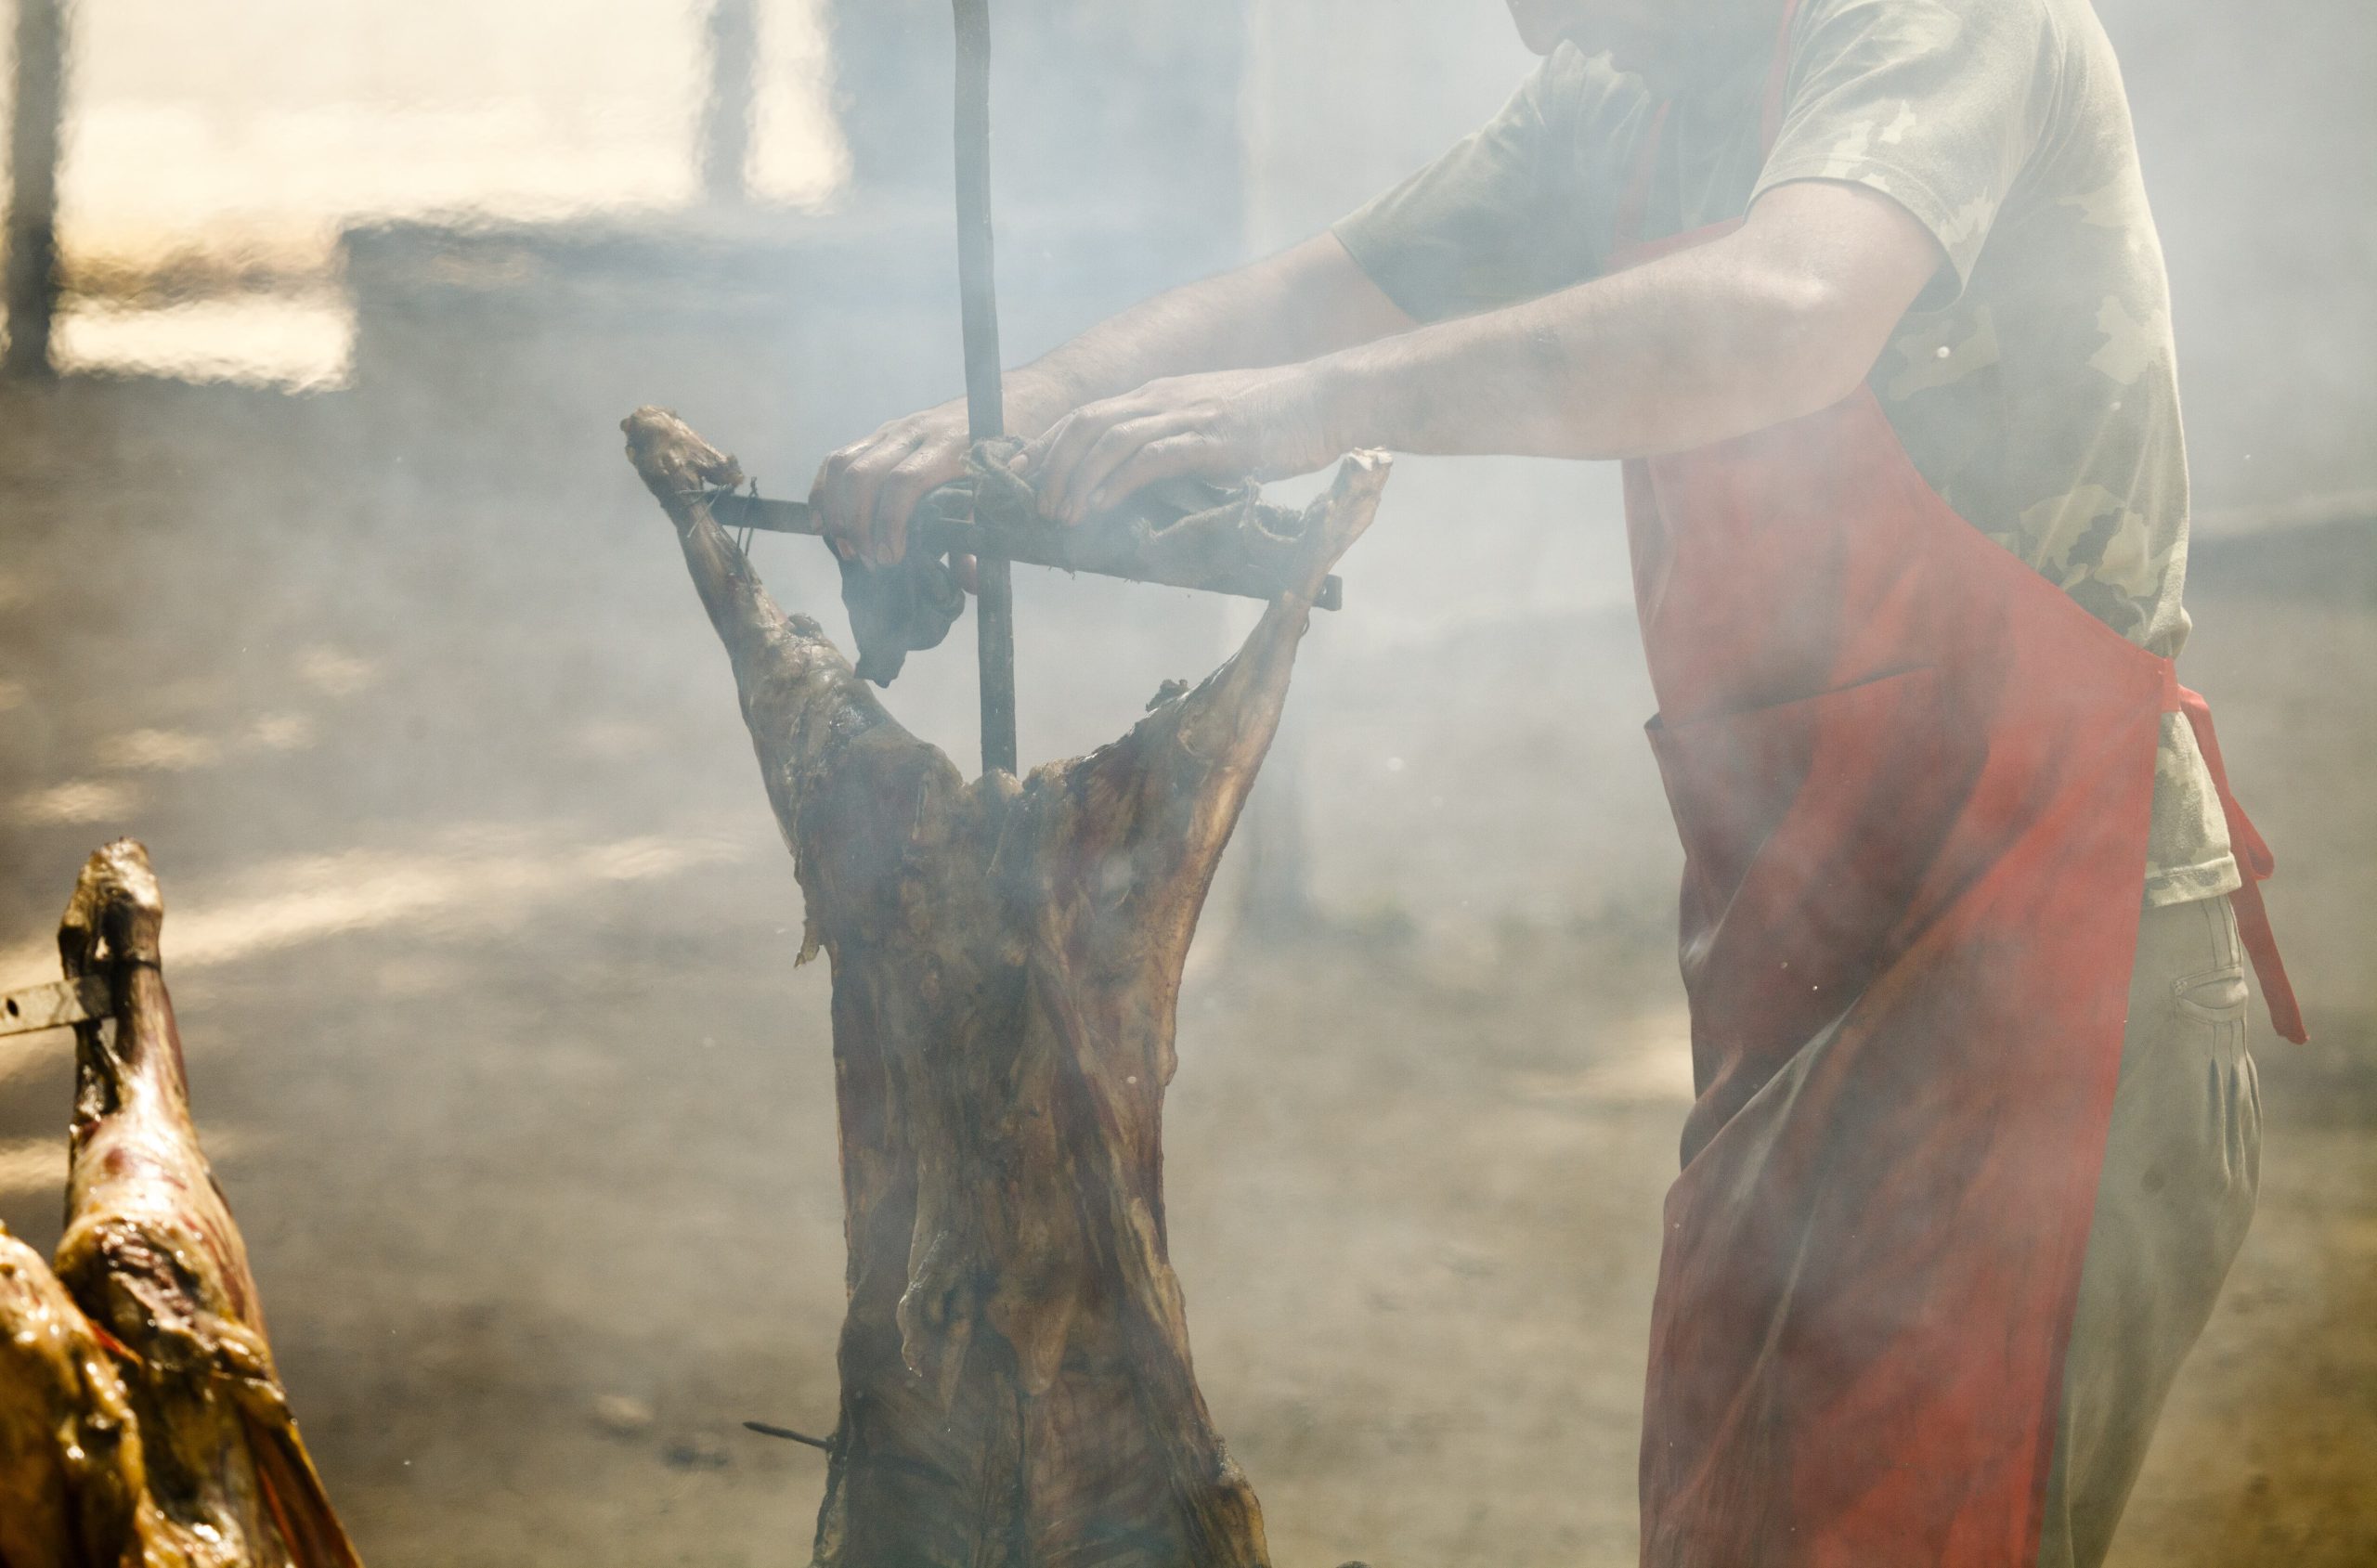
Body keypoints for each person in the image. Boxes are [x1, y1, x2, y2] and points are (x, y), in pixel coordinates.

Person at [811, 1, 2305, 1562]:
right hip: (1796, 1000)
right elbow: (1320, 297)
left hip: (2049, 979)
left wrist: (1310, 411)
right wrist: (1018, 422)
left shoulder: (1941, 24)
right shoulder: (1624, 102)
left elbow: (1788, 307)